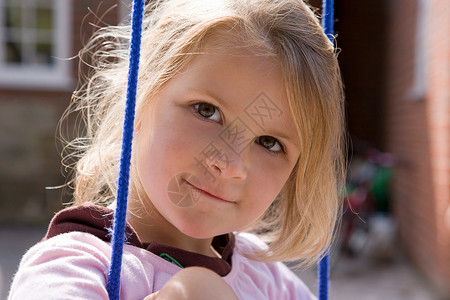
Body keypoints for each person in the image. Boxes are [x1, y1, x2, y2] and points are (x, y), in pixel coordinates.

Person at [8, 0, 345, 299]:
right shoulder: (73, 268)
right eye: (206, 110)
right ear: (139, 97)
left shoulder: (267, 277)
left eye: (268, 143)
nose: (230, 163)